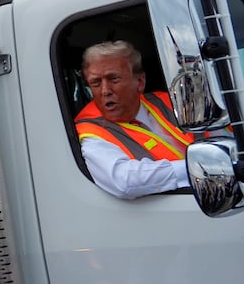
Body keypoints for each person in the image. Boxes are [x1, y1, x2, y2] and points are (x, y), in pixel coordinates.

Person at [75, 40, 194, 199]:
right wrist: (197, 168)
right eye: (95, 83)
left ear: (140, 82)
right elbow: (124, 181)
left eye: (114, 79)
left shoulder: (169, 101)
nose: (105, 91)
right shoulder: (90, 130)